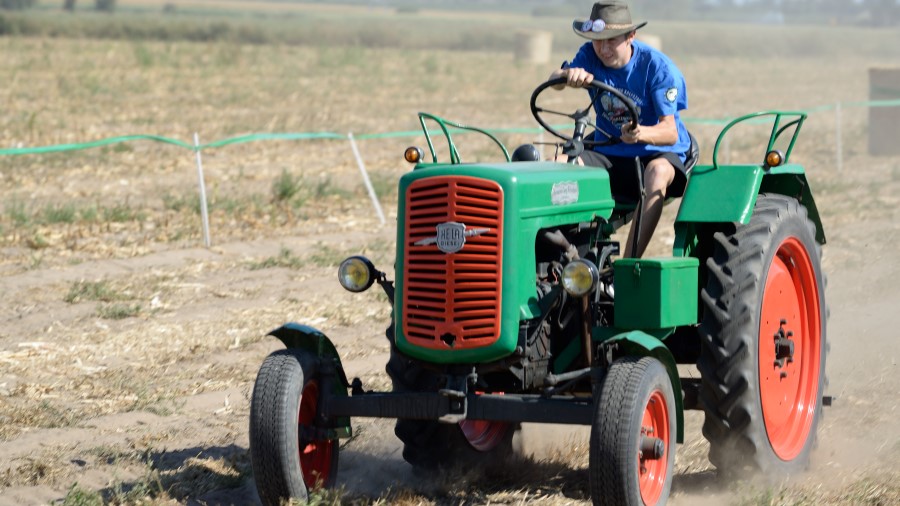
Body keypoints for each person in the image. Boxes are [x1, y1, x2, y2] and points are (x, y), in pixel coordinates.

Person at [549, 0, 691, 258]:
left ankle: (629, 265)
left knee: (657, 172)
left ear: (630, 36)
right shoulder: (589, 55)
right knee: (557, 166)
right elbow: (555, 80)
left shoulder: (657, 69)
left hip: (654, 152)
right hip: (610, 150)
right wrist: (565, 77)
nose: (603, 48)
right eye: (597, 40)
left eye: (611, 40)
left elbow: (670, 132)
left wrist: (640, 133)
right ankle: (565, 257)